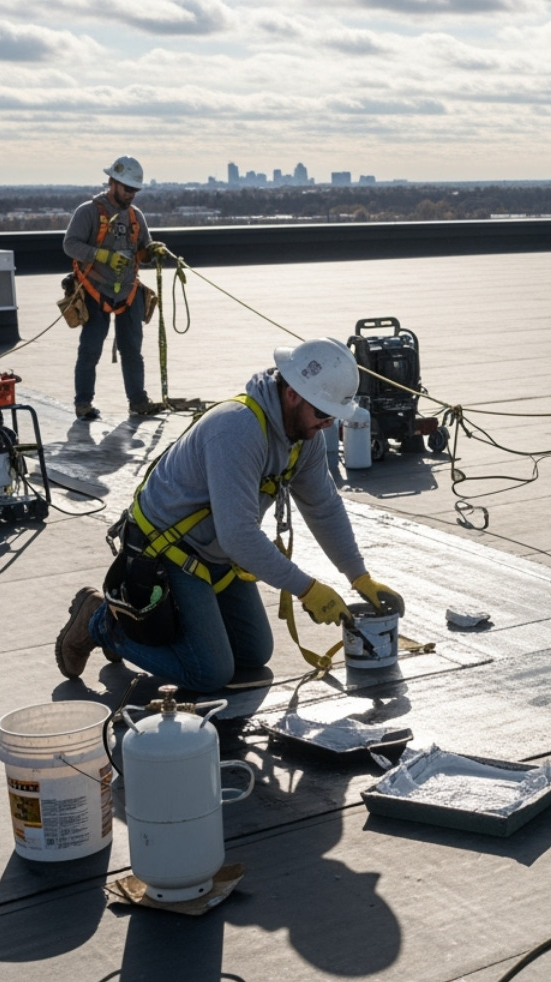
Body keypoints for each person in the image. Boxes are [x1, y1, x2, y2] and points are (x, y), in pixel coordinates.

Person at [54, 339, 405, 691]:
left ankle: (175, 625)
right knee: (208, 674)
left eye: (333, 416)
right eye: (322, 413)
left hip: (216, 551)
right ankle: (101, 622)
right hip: (167, 553)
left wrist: (359, 577)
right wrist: (307, 589)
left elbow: (324, 507)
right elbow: (239, 535)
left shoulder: (304, 438)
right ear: (293, 394)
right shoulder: (237, 429)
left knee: (254, 654)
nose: (327, 424)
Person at [63, 155, 168, 421]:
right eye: (127, 189)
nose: (132, 194)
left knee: (131, 349)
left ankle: (138, 401)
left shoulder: (135, 216)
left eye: (135, 190)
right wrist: (102, 256)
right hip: (95, 289)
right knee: (90, 349)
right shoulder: (89, 212)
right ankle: (83, 403)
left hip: (128, 292)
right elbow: (70, 245)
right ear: (112, 183)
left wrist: (151, 252)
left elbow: (141, 250)